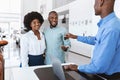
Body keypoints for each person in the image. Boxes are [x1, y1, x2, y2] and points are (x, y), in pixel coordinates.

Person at [65, 0, 120, 79]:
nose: (93, 6)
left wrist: (78, 67)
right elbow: (96, 40)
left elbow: (99, 67)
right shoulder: (109, 24)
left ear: (101, 1)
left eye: (95, 2)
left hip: (108, 77)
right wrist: (75, 36)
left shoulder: (111, 29)